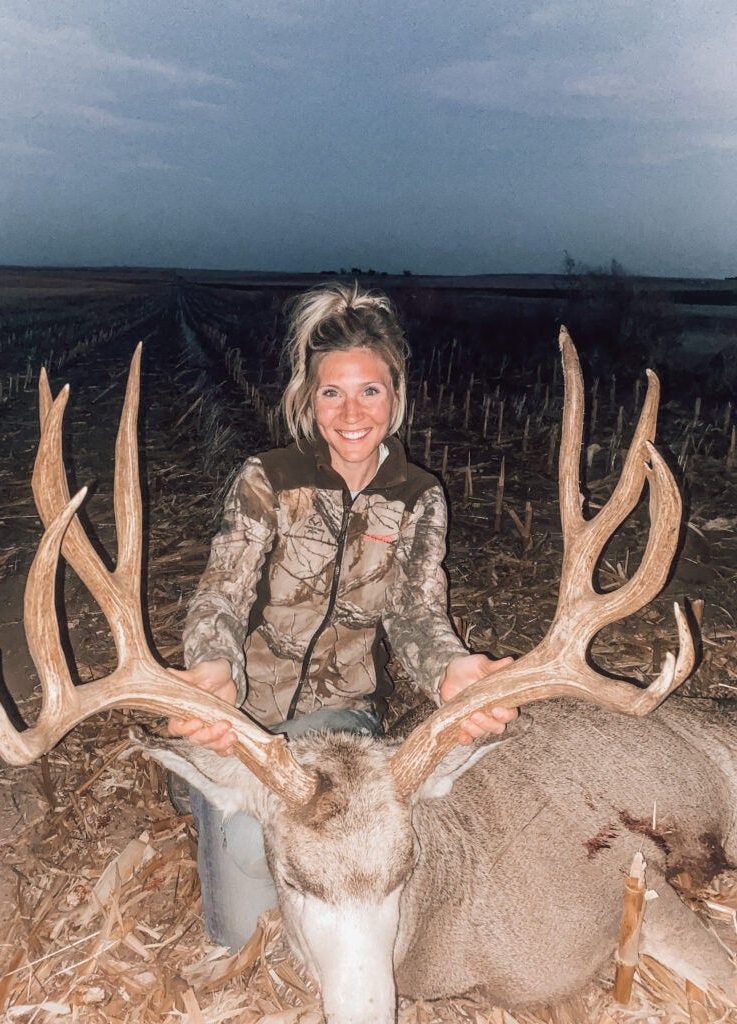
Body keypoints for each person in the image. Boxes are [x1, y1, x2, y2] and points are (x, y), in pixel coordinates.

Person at [168, 282, 517, 948]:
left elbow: (416, 613)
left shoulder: (417, 498)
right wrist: (215, 668)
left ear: (396, 395)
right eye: (332, 392)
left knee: (351, 863)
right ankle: (200, 793)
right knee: (244, 924)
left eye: (370, 392)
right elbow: (222, 592)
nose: (352, 412)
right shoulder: (267, 480)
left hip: (341, 719)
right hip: (242, 710)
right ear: (307, 399)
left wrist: (451, 672)